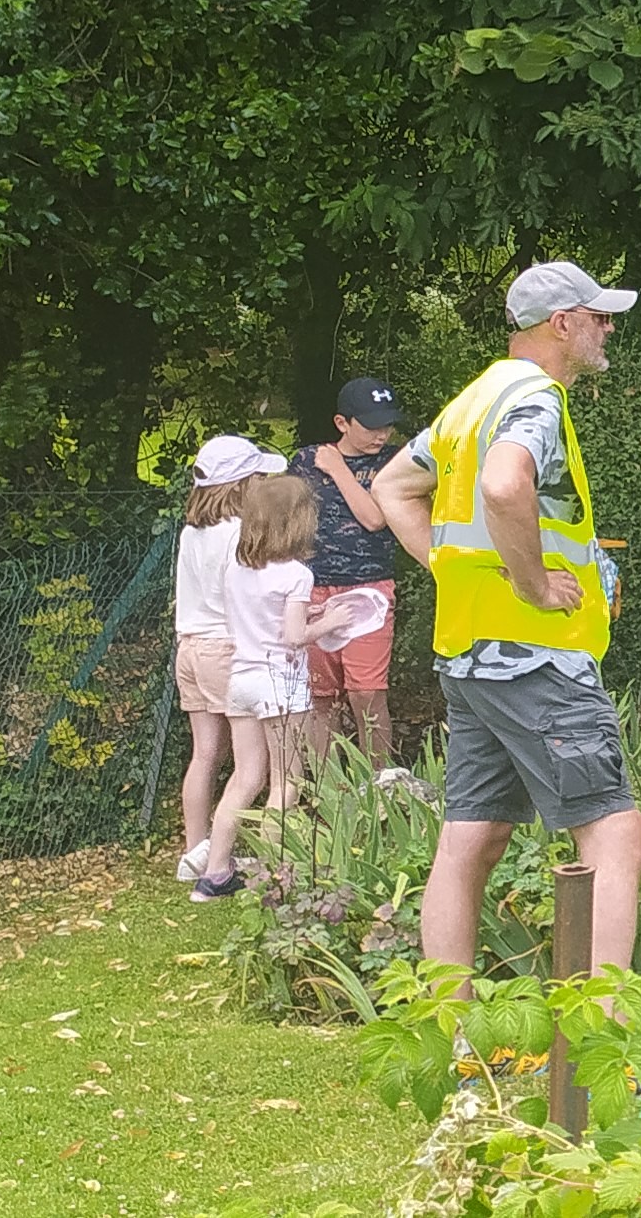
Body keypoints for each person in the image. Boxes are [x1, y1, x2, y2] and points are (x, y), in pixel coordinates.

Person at [372, 261, 641, 976]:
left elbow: (393, 486)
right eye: (599, 315)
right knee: (616, 835)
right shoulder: (535, 398)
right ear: (563, 323)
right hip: (536, 655)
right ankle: (606, 1030)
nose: (608, 327)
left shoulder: (474, 398)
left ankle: (452, 1035)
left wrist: (447, 566)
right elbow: (504, 484)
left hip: (468, 653)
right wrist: (530, 584)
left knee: (472, 838)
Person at [197, 472, 338, 902]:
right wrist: (332, 621)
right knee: (286, 782)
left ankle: (214, 873)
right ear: (298, 522)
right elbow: (294, 637)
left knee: (245, 778)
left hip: (241, 680)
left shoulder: (236, 568)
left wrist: (314, 615)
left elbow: (265, 621)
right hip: (280, 684)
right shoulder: (297, 574)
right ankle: (277, 875)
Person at [173, 434, 282, 884]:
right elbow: (248, 598)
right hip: (226, 649)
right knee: (251, 765)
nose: (262, 483)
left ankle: (194, 849)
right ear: (241, 483)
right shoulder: (240, 532)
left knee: (204, 754)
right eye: (257, 476)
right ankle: (221, 860)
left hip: (190, 647)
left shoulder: (191, 530)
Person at [296, 377, 408, 778]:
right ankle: (328, 792)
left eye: (388, 424)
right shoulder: (306, 461)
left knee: (366, 691)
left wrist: (340, 470)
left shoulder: (394, 462)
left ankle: (379, 786)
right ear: (342, 423)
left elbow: (376, 519)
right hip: (313, 588)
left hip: (369, 590)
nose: (382, 434)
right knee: (320, 696)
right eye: (371, 425)